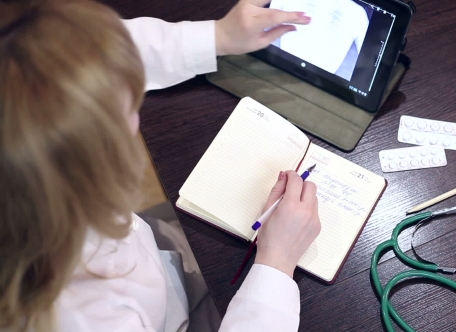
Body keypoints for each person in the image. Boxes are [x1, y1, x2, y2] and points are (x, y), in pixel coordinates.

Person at [0, 0, 319, 331]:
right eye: (127, 113)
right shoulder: (84, 317)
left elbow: (93, 54)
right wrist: (277, 261)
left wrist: (218, 36)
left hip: (160, 270)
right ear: (84, 169)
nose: (136, 120)